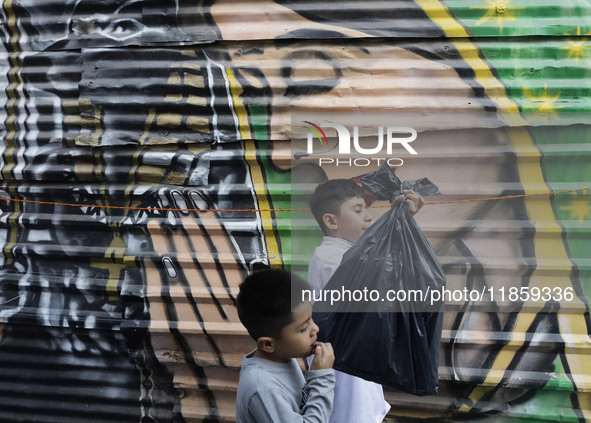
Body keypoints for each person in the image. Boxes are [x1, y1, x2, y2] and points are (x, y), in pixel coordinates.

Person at [308, 178, 424, 423]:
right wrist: (398, 221)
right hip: (346, 374)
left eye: (366, 209)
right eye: (358, 210)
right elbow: (382, 276)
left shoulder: (346, 255)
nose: (368, 217)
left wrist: (399, 218)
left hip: (354, 367)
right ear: (331, 221)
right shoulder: (333, 259)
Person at [236, 268, 336, 423]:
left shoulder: (281, 357)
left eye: (311, 319)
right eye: (303, 328)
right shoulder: (263, 387)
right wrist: (321, 378)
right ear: (268, 344)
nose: (315, 329)